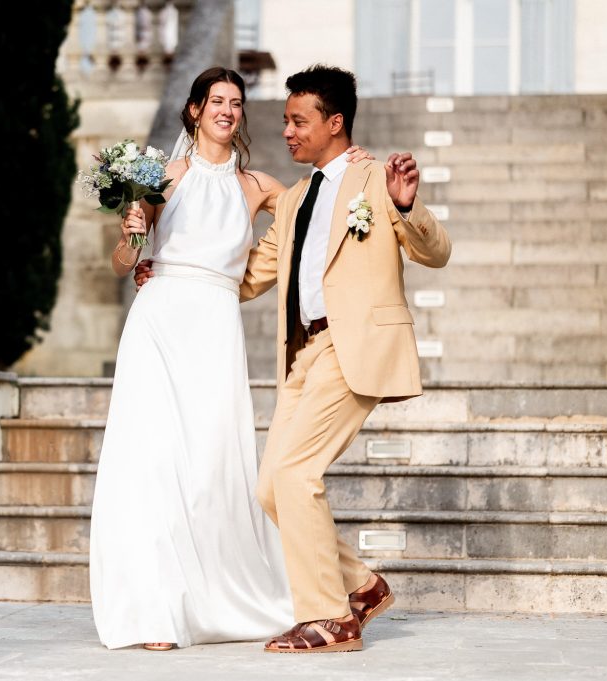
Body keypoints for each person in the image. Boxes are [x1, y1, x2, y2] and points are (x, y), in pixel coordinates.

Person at [139, 64, 450, 653]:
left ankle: (328, 618)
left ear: (335, 123)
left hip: (352, 345)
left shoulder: (375, 179)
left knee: (295, 474)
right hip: (302, 353)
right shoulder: (296, 198)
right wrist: (178, 274)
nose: (286, 131)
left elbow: (436, 253)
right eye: (283, 120)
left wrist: (409, 208)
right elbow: (250, 274)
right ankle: (360, 587)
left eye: (298, 121)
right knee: (270, 489)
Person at [89, 66, 372, 651]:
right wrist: (134, 234)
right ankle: (158, 610)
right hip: (160, 323)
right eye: (216, 100)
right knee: (155, 464)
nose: (227, 109)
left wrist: (354, 165)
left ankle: (223, 597)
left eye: (237, 102)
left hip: (217, 328)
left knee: (213, 468)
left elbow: (320, 206)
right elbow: (122, 261)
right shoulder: (160, 177)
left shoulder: (259, 187)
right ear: (194, 111)